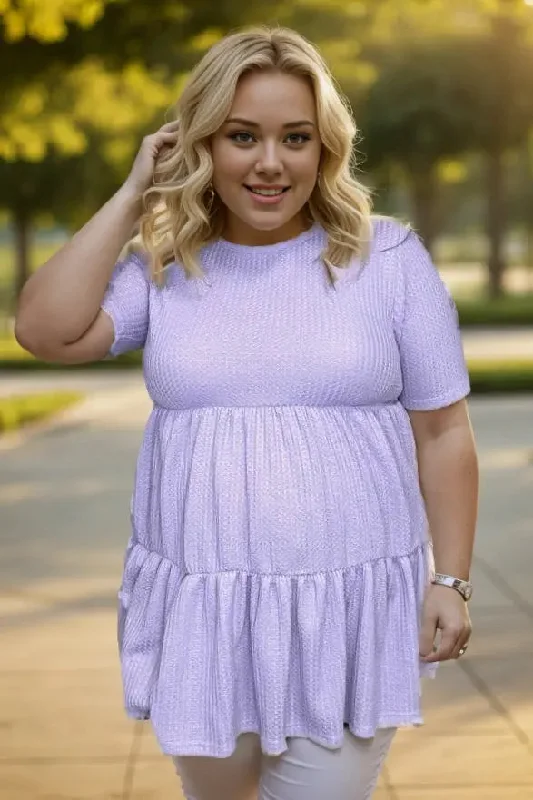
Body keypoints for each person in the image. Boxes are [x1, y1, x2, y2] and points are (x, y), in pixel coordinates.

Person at [15, 26, 478, 800]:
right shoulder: (164, 271)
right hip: (206, 617)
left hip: (346, 617)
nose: (270, 162)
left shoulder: (387, 259)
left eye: (295, 137)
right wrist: (136, 197)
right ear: (201, 145)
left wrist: (451, 581)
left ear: (324, 148)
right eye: (242, 136)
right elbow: (44, 329)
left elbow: (443, 432)